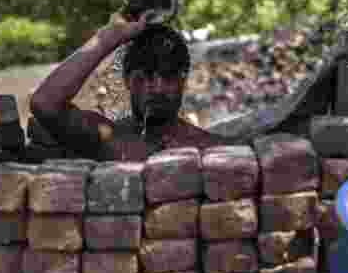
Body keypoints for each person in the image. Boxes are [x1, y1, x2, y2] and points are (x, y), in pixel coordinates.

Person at [30, 11, 229, 161]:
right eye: (145, 77)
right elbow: (45, 103)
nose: (158, 88)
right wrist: (108, 37)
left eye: (168, 77)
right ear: (126, 80)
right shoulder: (107, 140)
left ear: (183, 81)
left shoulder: (209, 149)